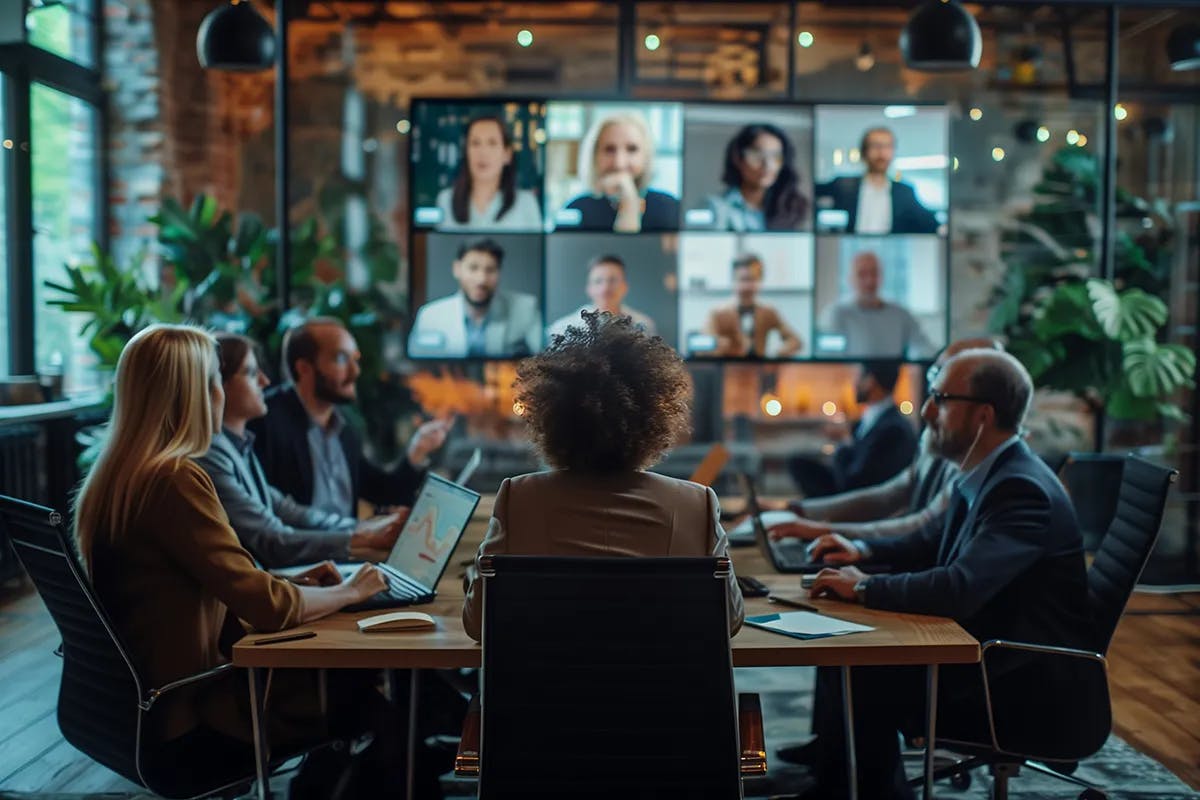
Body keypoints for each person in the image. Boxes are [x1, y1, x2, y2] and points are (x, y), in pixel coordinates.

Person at [71, 324, 436, 794]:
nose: (222, 392)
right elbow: (267, 607)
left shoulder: (117, 478)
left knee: (362, 696)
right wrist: (352, 590)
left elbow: (205, 585)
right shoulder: (174, 481)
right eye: (217, 380)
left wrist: (305, 582)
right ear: (197, 394)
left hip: (138, 712)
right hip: (196, 716)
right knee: (369, 699)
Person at [803, 349, 1099, 799]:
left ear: (983, 415)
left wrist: (862, 586)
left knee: (857, 663)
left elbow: (958, 587)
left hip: (1015, 683)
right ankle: (839, 786)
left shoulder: (1021, 490)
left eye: (940, 397)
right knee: (843, 646)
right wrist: (858, 550)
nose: (925, 411)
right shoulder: (989, 473)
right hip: (985, 655)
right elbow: (927, 542)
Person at [462, 311, 744, 641]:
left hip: (548, 691)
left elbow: (477, 623)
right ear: (654, 417)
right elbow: (730, 620)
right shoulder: (696, 504)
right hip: (659, 692)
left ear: (552, 418)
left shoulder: (519, 497)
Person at [196, 333, 406, 568]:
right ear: (217, 385)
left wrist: (365, 528)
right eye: (252, 373)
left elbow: (286, 509)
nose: (265, 382)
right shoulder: (212, 450)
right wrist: (364, 536)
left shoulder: (239, 444)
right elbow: (272, 539)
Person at [768, 338, 1002, 545]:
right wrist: (798, 511)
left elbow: (921, 526)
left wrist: (821, 530)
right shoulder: (941, 439)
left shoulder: (980, 461)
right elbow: (891, 493)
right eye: (934, 378)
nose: (927, 410)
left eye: (944, 392)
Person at [251, 318, 451, 518]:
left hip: (347, 546)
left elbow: (381, 491)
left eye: (355, 359)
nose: (355, 372)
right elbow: (264, 517)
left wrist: (418, 449)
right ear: (304, 368)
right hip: (303, 547)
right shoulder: (264, 421)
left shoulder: (345, 423)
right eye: (340, 359)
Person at [786, 360, 917, 498]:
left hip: (861, 496)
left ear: (870, 381)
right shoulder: (873, 418)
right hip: (852, 485)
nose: (854, 385)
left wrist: (844, 440)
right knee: (798, 464)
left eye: (859, 378)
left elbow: (854, 480)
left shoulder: (893, 428)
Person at [408, 238, 542, 358]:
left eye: (490, 270)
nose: (481, 280)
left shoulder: (526, 308)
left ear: (499, 272)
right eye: (473, 268)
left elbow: (542, 363)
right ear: (457, 269)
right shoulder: (430, 316)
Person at [558, 113, 679, 233]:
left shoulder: (670, 208)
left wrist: (630, 204)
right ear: (594, 155)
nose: (619, 163)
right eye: (609, 149)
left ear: (646, 155)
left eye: (632, 149)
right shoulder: (575, 210)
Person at [814, 126, 939, 235]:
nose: (882, 153)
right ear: (864, 152)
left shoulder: (904, 192)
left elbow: (930, 224)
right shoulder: (843, 186)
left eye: (888, 147)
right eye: (876, 146)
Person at [818, 250, 937, 359]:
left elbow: (923, 347)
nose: (870, 281)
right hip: (849, 380)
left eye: (874, 273)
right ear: (850, 279)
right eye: (862, 274)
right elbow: (829, 359)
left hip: (893, 380)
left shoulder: (899, 314)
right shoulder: (836, 314)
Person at [435, 115, 542, 232]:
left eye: (492, 143)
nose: (483, 152)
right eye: (475, 143)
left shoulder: (526, 203)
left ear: (507, 154)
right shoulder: (445, 200)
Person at [706, 123, 808, 232]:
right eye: (757, 155)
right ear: (737, 158)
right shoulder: (715, 207)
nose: (768, 166)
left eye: (775, 157)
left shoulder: (790, 206)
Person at [701, 254, 803, 358]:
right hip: (729, 371)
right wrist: (719, 346)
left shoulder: (768, 311)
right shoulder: (718, 313)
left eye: (753, 279)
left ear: (760, 281)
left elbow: (795, 341)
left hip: (759, 371)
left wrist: (776, 356)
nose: (748, 286)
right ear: (733, 280)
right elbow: (702, 348)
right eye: (743, 279)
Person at [546, 254, 656, 339]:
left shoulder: (645, 325)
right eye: (598, 281)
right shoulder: (562, 328)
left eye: (613, 280)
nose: (605, 288)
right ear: (589, 288)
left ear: (625, 287)